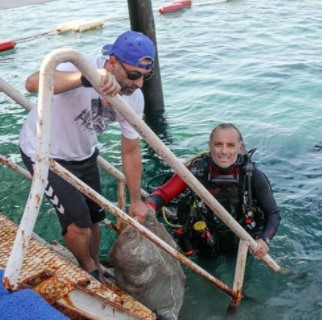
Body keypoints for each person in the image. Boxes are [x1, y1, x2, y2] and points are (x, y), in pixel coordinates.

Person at [18, 30, 155, 281]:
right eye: (134, 75)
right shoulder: (79, 64)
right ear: (112, 62)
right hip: (45, 153)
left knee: (95, 218)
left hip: (84, 154)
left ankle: (96, 267)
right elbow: (31, 83)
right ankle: (89, 270)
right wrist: (86, 78)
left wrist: (136, 200)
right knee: (78, 225)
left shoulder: (134, 98)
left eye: (145, 76)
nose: (138, 84)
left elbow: (131, 149)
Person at [145, 123, 280, 260]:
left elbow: (273, 214)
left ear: (240, 147)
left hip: (243, 243)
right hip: (204, 241)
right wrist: (148, 207)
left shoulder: (252, 176)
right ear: (209, 145)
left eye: (230, 145)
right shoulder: (194, 172)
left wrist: (264, 240)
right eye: (218, 144)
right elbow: (161, 194)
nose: (224, 151)